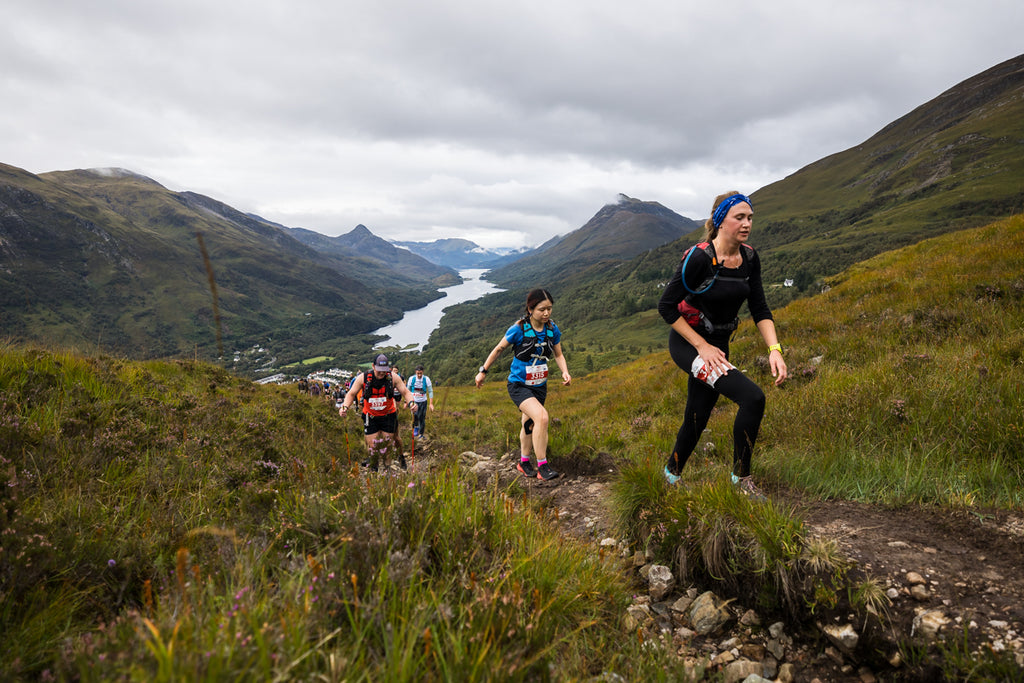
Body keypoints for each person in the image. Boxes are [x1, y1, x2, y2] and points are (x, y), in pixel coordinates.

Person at [656, 191, 787, 499]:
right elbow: (666, 307)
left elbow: (760, 308)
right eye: (739, 217)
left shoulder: (750, 259)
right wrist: (701, 346)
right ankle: (741, 481)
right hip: (689, 343)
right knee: (752, 398)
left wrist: (775, 350)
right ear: (720, 220)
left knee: (698, 415)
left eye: (750, 218)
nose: (747, 224)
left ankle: (670, 476)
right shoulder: (699, 258)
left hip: (717, 345)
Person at [475, 288, 571, 481]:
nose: (546, 313)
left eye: (549, 309)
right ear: (530, 309)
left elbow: (558, 354)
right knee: (542, 418)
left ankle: (524, 462)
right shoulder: (518, 328)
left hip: (539, 385)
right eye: (541, 309)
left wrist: (565, 371)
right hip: (518, 384)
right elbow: (499, 349)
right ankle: (543, 466)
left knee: (528, 423)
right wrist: (483, 371)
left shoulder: (552, 330)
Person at [338, 353, 419, 472]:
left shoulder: (393, 377)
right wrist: (345, 407)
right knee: (373, 445)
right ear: (373, 366)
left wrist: (412, 403)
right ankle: (374, 470)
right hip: (370, 416)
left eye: (384, 370)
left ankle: (388, 469)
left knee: (388, 444)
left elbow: (405, 392)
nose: (382, 373)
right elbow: (351, 393)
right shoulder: (363, 378)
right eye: (379, 370)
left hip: (388, 415)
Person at [407, 365, 434, 437]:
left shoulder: (426, 379)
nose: (419, 375)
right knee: (415, 416)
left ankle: (421, 433)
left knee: (422, 417)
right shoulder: (411, 379)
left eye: (420, 373)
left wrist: (431, 404)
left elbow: (430, 391)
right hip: (414, 401)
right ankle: (416, 427)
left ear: (423, 372)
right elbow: (407, 390)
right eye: (418, 373)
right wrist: (406, 402)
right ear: (415, 372)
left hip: (423, 401)